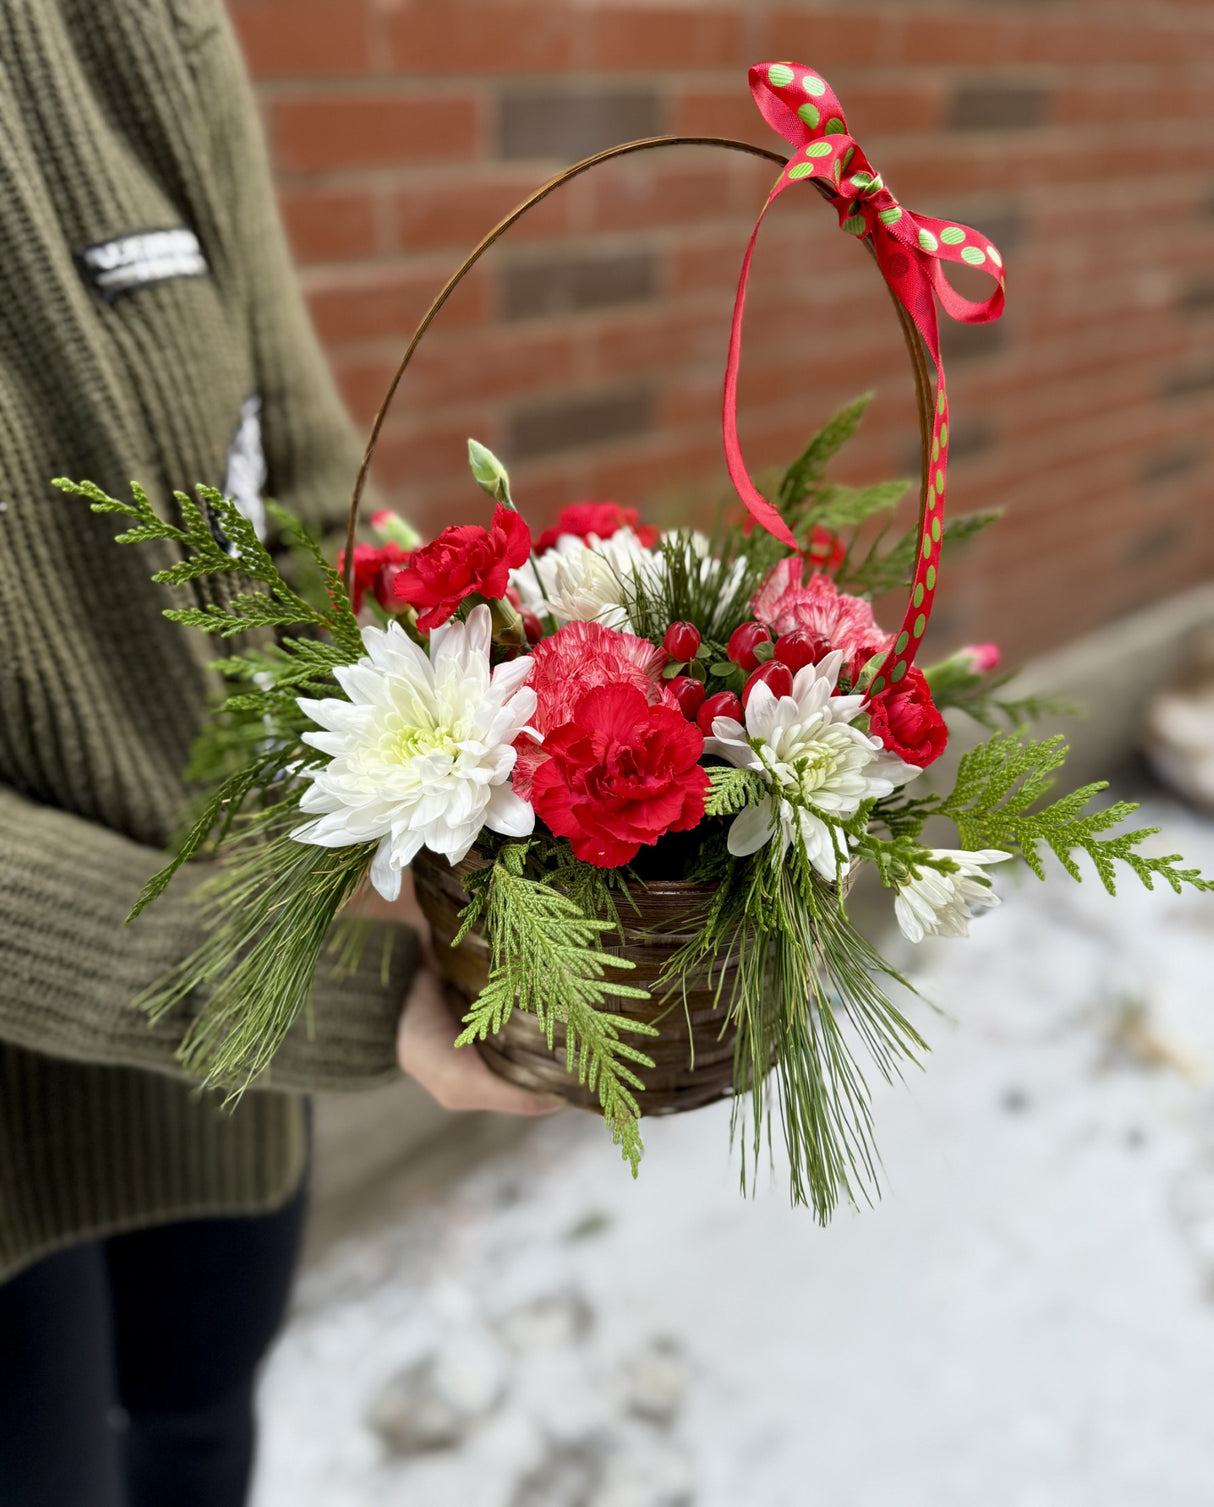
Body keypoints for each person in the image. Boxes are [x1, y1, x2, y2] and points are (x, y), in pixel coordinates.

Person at [0, 2, 555, 1503]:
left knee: (200, 1418)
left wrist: (463, 789)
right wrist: (320, 994)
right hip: (204, 996)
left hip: (233, 1015)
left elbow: (304, 498)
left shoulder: (140, 29)